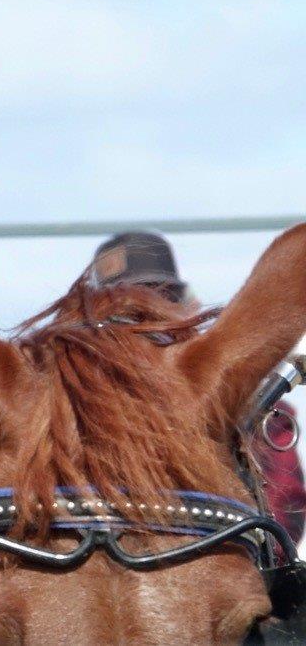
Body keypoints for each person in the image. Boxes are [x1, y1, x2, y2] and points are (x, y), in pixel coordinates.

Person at [90, 231, 306, 541]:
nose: (140, 322)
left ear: (181, 308)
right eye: (121, 313)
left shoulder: (251, 398)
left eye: (155, 300)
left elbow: (284, 517)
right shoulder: (71, 406)